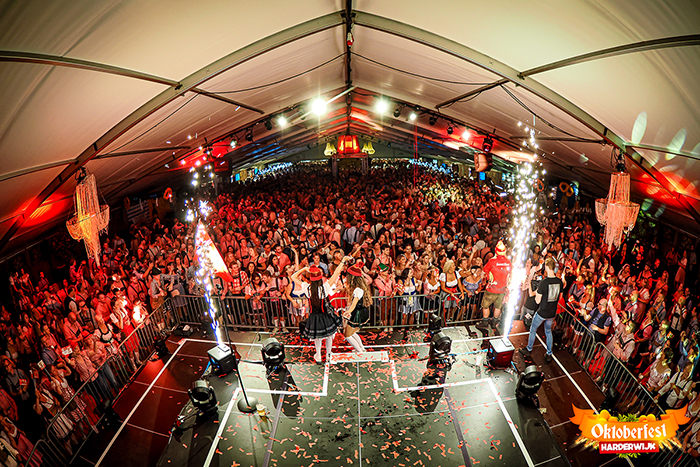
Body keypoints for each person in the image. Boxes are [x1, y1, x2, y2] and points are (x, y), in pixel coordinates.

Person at [300, 257, 350, 363]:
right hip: (325, 315)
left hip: (314, 316)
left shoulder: (307, 288)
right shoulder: (324, 288)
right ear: (320, 278)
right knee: (329, 336)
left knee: (317, 338)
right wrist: (342, 261)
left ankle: (318, 355)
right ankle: (328, 354)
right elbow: (336, 273)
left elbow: (292, 277)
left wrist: (304, 269)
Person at [520, 258, 564, 363]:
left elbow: (537, 300)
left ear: (547, 267)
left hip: (542, 311)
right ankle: (549, 353)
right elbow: (560, 297)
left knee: (533, 329)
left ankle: (528, 349)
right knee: (548, 331)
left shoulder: (544, 283)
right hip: (552, 312)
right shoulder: (559, 282)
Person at [477, 241, 512, 334]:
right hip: (502, 289)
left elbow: (485, 272)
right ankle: (494, 322)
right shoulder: (508, 262)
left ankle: (485, 322)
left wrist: (484, 280)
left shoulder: (492, 261)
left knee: (485, 305)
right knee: (498, 307)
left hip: (492, 288)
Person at [341, 264, 371, 352]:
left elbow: (353, 305)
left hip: (357, 314)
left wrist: (346, 313)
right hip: (360, 312)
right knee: (353, 332)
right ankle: (361, 348)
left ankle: (360, 351)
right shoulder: (360, 287)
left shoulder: (358, 290)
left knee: (347, 335)